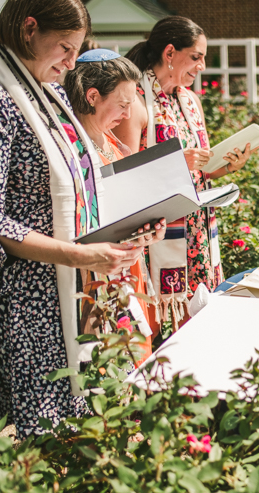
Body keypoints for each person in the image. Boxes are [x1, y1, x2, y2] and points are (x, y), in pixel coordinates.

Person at [0, 0, 166, 437]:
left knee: (85, 426)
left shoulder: (44, 92)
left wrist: (136, 226)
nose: (72, 63)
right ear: (30, 29)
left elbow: (85, 184)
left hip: (70, 284)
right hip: (27, 299)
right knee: (41, 438)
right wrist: (80, 256)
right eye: (66, 48)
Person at [115, 16, 254, 322]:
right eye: (196, 57)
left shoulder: (191, 101)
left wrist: (228, 166)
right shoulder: (135, 102)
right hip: (158, 233)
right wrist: (176, 164)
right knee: (165, 326)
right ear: (169, 54)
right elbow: (121, 175)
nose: (201, 66)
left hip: (198, 232)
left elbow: (201, 170)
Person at [63, 50, 159, 357]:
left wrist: (149, 230)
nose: (129, 116)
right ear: (92, 96)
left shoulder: (112, 141)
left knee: (136, 360)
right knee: (107, 366)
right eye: (122, 104)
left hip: (129, 273)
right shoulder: (70, 150)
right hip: (96, 280)